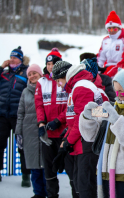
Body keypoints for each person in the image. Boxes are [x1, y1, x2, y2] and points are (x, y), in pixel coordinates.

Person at [79, 69, 124, 198]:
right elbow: (90, 136)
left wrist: (117, 121)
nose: (119, 94)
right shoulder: (112, 107)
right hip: (105, 172)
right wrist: (87, 118)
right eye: (116, 90)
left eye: (122, 90)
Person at [52, 61, 108, 198]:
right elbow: (75, 119)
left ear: (64, 76)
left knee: (86, 187)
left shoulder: (82, 87)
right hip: (82, 143)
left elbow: (82, 119)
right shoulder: (77, 86)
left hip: (87, 143)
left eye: (59, 80)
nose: (59, 84)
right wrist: (67, 138)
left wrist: (67, 142)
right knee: (80, 185)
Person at [34, 48, 69, 198]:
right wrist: (41, 124)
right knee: (49, 169)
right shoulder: (41, 82)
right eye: (48, 63)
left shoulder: (65, 81)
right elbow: (39, 105)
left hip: (64, 133)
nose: (50, 66)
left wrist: (58, 120)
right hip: (48, 134)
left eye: (53, 63)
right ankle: (52, 195)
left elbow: (70, 105)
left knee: (69, 166)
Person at [15, 64, 47, 198]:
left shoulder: (46, 89)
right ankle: (38, 193)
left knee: (45, 165)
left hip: (44, 130)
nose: (32, 76)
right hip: (28, 132)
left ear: (40, 74)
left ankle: (49, 192)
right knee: (34, 166)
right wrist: (18, 132)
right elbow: (20, 113)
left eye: (34, 73)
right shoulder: (25, 92)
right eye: (29, 74)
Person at [0, 46, 30, 184]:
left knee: (22, 146)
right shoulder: (4, 73)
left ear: (20, 59)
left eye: (15, 57)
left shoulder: (26, 73)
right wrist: (1, 67)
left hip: (18, 116)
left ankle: (26, 175)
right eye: (11, 57)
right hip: (2, 115)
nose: (12, 60)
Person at [97, 10, 124, 77]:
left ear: (119, 28)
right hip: (108, 68)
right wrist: (97, 70)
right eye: (109, 29)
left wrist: (109, 74)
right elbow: (100, 58)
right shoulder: (105, 40)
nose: (112, 31)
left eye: (114, 29)